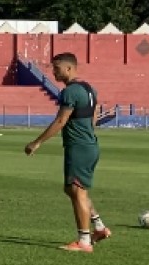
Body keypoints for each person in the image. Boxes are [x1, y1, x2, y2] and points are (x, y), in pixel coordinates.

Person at [25, 53, 110, 253]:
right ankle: (98, 227)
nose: (53, 72)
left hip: (79, 147)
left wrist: (37, 143)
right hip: (89, 145)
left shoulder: (70, 92)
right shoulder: (90, 88)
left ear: (69, 68)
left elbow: (61, 121)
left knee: (78, 191)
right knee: (71, 189)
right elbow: (94, 117)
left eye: (57, 68)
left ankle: (84, 241)